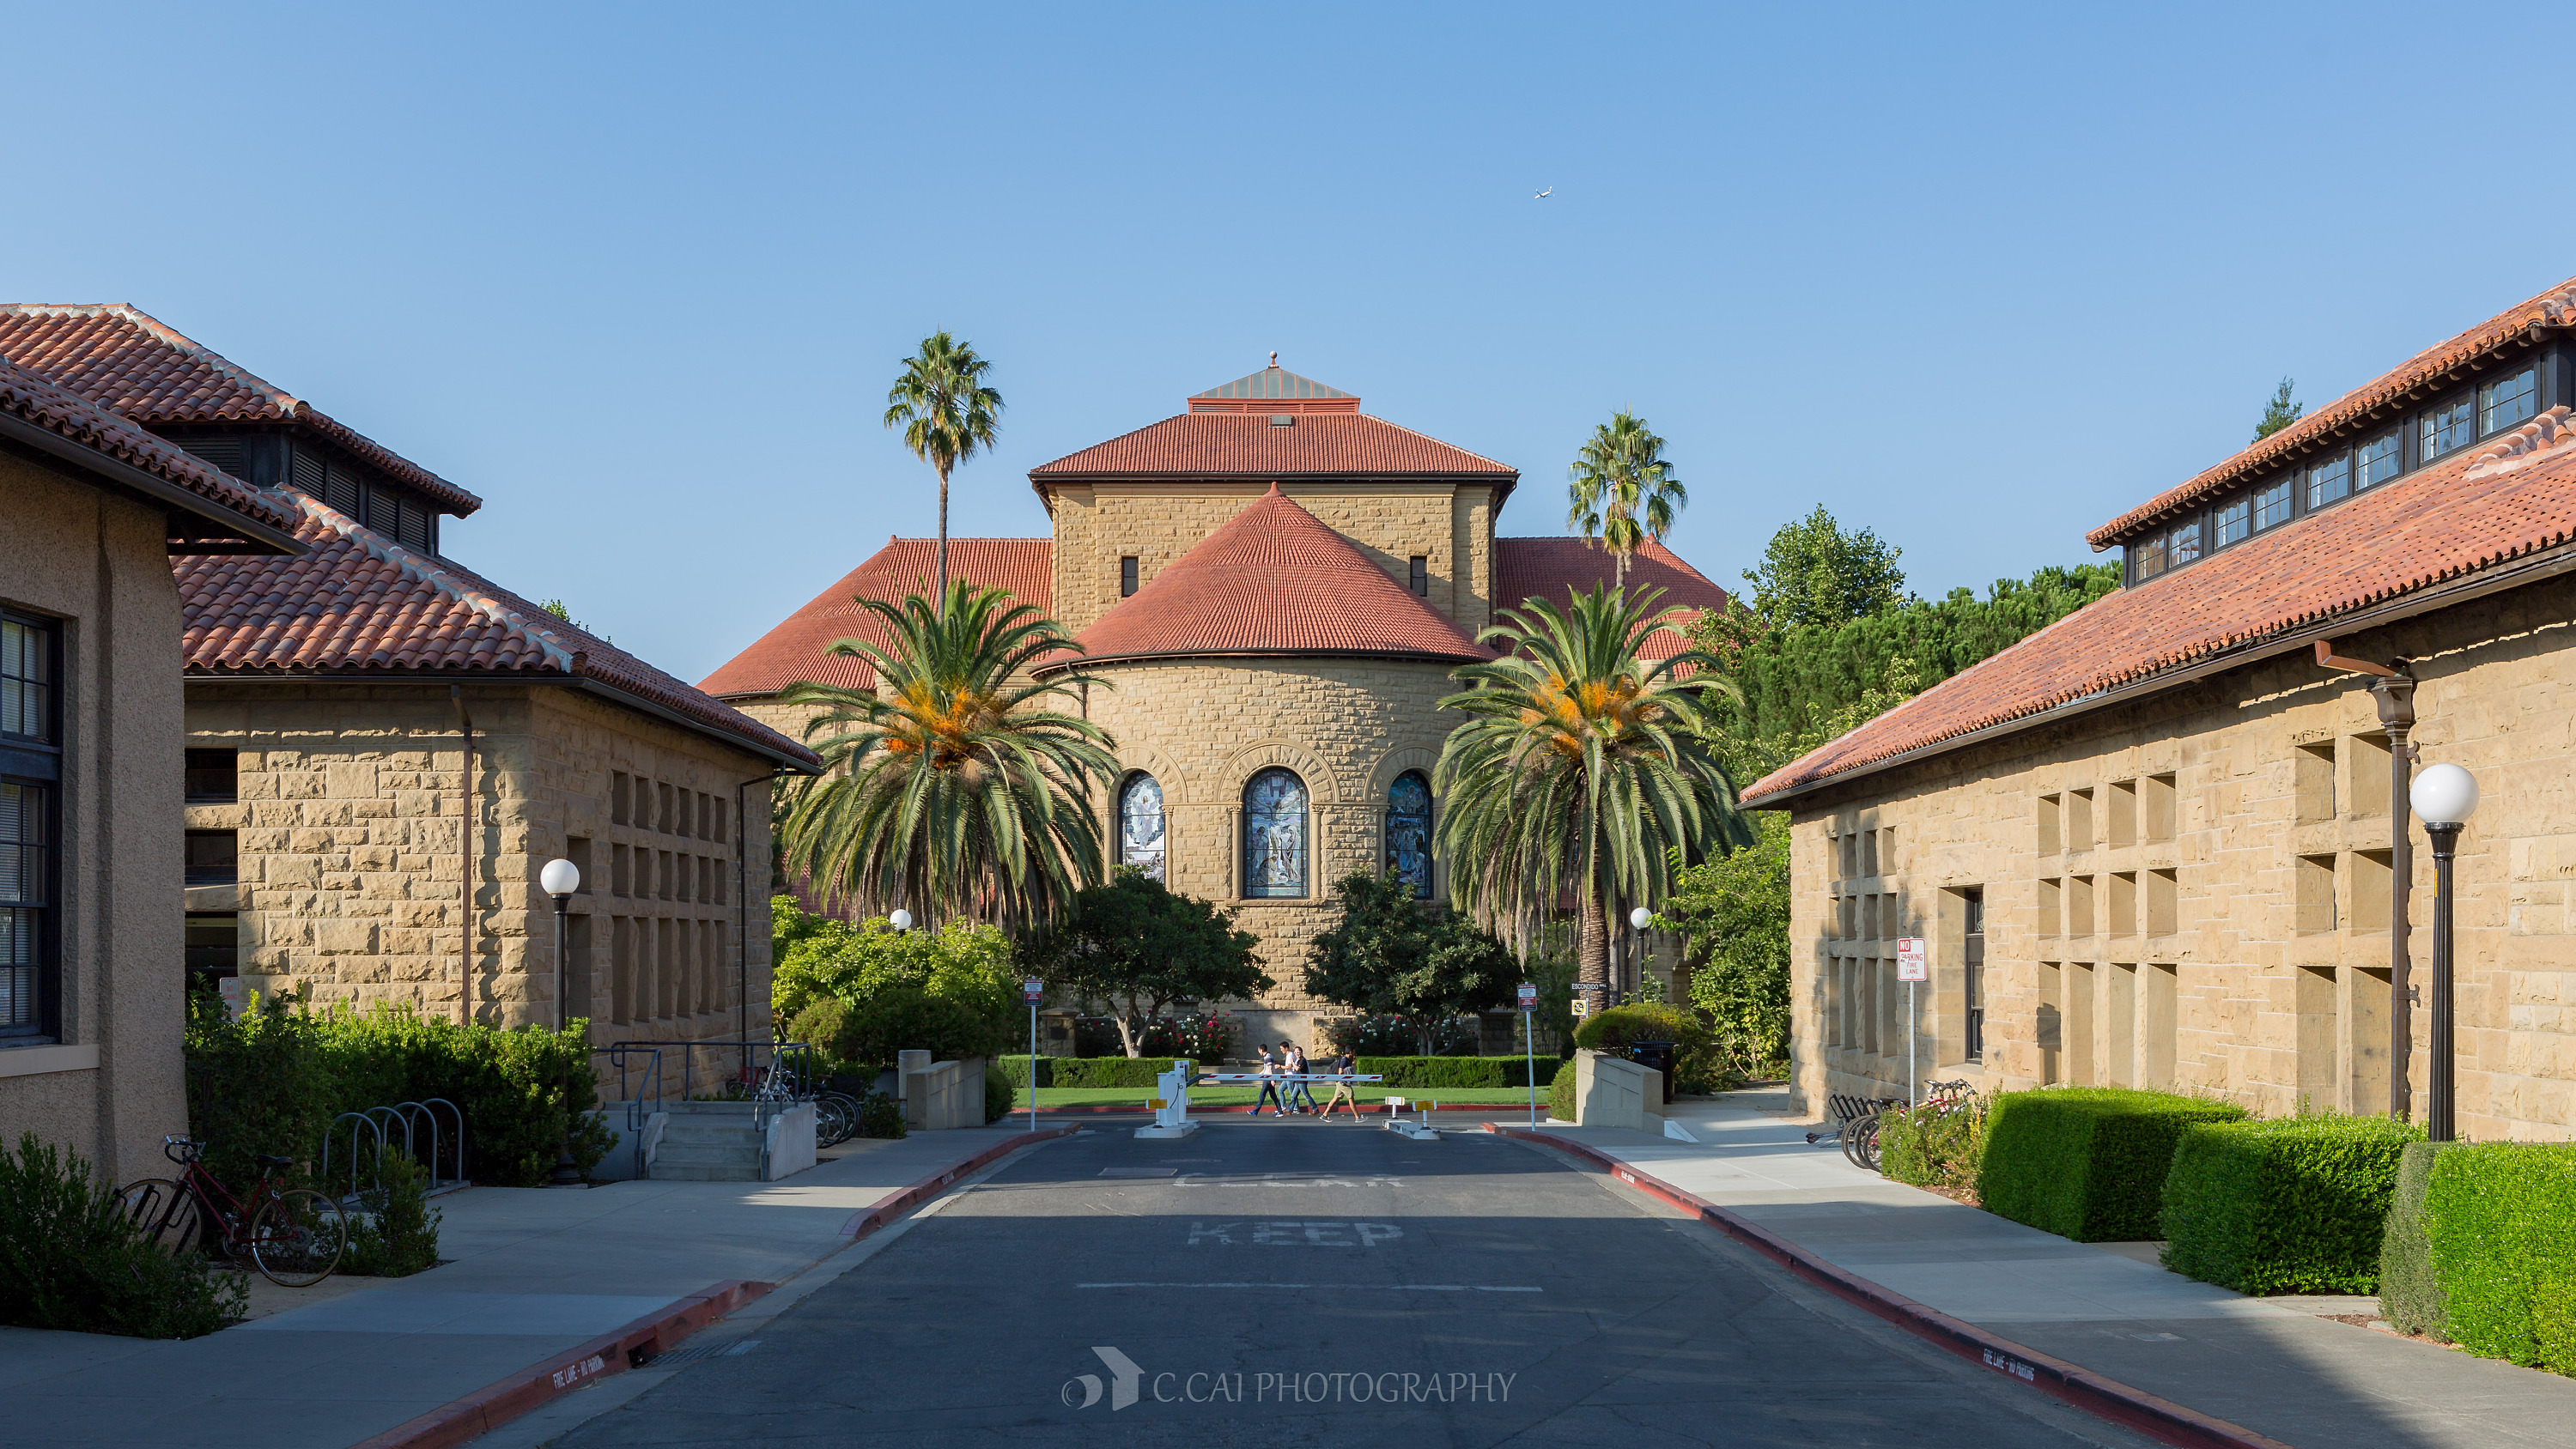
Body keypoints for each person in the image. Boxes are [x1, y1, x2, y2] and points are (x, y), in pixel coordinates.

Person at [1320, 1048, 1360, 1120]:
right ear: (1350, 1052)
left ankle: (1325, 1115)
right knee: (1351, 1098)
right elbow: (1340, 1071)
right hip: (1343, 1083)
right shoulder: (1344, 1060)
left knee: (1335, 1099)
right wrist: (1347, 1072)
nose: (1354, 1053)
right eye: (1353, 1052)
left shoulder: (1347, 1060)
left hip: (1340, 1082)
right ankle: (1357, 1117)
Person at [1283, 1042, 1318, 1114]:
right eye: (1295, 1052)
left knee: (1306, 1095)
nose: (1297, 1054)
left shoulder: (1302, 1060)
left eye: (1298, 1052)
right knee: (1293, 1096)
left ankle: (1315, 1109)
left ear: (1301, 1052)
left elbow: (1297, 1068)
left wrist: (1292, 1062)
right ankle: (1289, 1110)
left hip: (1302, 1081)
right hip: (1298, 1081)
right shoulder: (1298, 1060)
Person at [1252, 1046, 1285, 1117]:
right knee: (1273, 1096)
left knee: (1262, 1094)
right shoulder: (1267, 1057)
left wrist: (1272, 1079)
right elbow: (1265, 1069)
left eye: (1259, 1050)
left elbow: (1271, 1069)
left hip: (1268, 1079)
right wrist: (1258, 1075)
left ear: (1261, 1050)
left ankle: (1255, 1111)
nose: (1258, 1052)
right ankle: (1280, 1111)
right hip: (1268, 1078)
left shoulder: (1268, 1057)